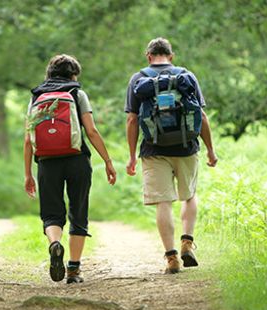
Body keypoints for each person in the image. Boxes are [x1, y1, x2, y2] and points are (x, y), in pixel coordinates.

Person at [125, 38, 218, 274]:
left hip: (154, 150)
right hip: (186, 147)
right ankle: (187, 241)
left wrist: (132, 156)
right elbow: (202, 116)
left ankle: (171, 258)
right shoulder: (186, 76)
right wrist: (210, 149)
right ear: (171, 56)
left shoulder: (138, 79)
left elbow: (132, 120)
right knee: (189, 195)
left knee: (163, 202)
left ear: (148, 56)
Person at [24, 54, 116, 284]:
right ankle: (74, 269)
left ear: (49, 73)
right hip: (77, 160)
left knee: (52, 213)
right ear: (74, 74)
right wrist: (107, 161)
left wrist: (28, 173)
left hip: (46, 162)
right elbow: (91, 131)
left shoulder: (37, 96)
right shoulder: (77, 94)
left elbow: (28, 139)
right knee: (78, 211)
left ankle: (55, 244)